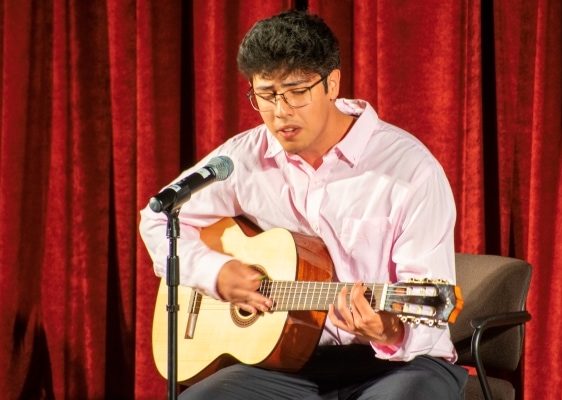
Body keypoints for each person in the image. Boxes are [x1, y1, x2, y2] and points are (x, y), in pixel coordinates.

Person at [140, 9, 467, 400]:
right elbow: (159, 218)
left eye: (297, 92)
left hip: (399, 365)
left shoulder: (409, 170)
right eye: (266, 95)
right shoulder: (244, 158)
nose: (280, 112)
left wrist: (390, 329)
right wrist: (214, 271)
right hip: (286, 365)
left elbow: (429, 308)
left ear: (332, 84)